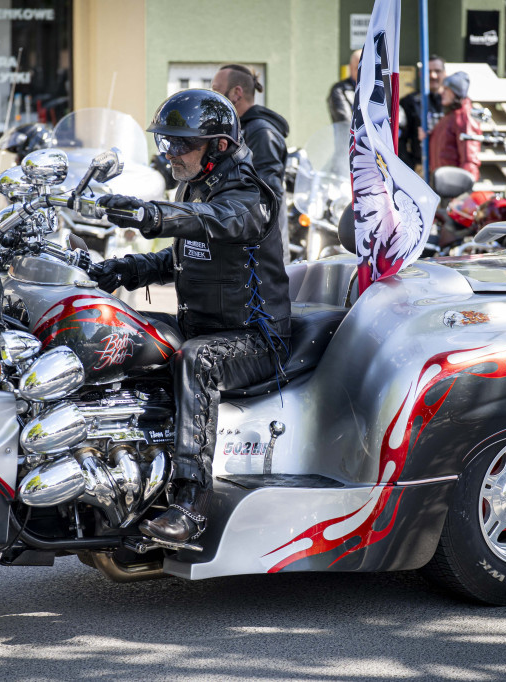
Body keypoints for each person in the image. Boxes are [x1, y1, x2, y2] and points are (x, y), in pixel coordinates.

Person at [90, 89, 290, 544]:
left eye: (182, 144)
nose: (171, 153)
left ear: (218, 146)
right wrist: (120, 267)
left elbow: (212, 221)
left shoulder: (249, 194)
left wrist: (150, 213)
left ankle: (191, 503)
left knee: (196, 360)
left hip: (255, 339)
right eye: (167, 143)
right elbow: (183, 256)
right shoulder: (197, 183)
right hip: (203, 324)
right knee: (124, 335)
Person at [211, 64, 291, 263]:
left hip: (260, 253)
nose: (212, 99)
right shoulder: (237, 130)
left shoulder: (262, 133)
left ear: (236, 92)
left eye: (216, 90)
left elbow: (268, 199)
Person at [428, 71, 481, 180]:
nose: (442, 92)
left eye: (446, 89)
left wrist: (461, 190)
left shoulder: (464, 117)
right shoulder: (450, 115)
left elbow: (469, 159)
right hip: (442, 184)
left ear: (456, 93)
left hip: (452, 186)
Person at [399, 55, 445, 170]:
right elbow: (400, 139)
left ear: (444, 73)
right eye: (428, 71)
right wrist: (409, 167)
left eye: (437, 71)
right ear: (421, 74)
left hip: (447, 166)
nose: (433, 76)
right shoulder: (409, 102)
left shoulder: (454, 103)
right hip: (420, 168)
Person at [327, 49, 363, 123]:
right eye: (358, 68)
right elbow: (345, 122)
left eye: (365, 68)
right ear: (350, 68)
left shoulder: (378, 89)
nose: (362, 72)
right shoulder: (339, 90)